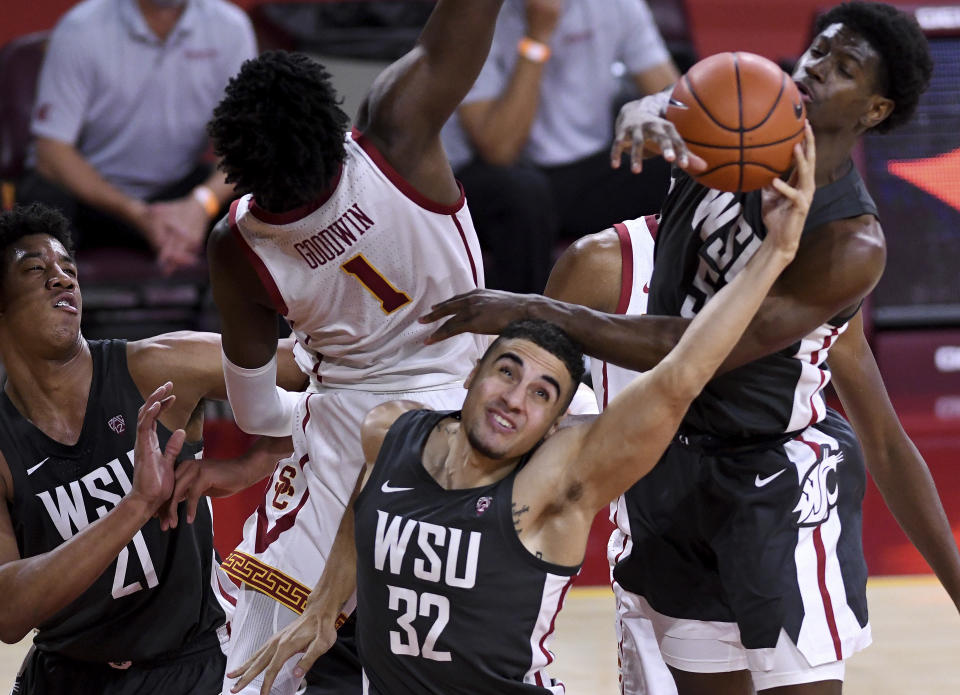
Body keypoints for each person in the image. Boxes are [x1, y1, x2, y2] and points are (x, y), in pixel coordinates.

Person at [420, 4, 957, 692]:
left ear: (875, 109)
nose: (817, 69)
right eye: (820, 51)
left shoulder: (846, 243)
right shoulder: (735, 121)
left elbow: (695, 350)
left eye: (843, 68)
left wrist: (528, 305)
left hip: (772, 487)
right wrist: (641, 111)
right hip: (670, 471)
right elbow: (675, 95)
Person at [224, 128, 814, 695]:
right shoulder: (394, 432)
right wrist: (326, 604)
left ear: (558, 421)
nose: (514, 397)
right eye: (507, 372)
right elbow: (362, 506)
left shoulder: (558, 486)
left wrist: (777, 254)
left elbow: (682, 374)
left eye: (542, 392)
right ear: (473, 375)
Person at [204, 1, 508, 691]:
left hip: (341, 445)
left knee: (259, 664)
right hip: (476, 412)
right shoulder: (395, 131)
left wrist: (312, 409)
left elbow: (254, 415)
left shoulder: (238, 246)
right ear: (326, 114)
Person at [0, 203, 302, 695]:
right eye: (35, 269)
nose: (61, 280)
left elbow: (319, 369)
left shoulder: (157, 368)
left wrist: (257, 462)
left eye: (68, 269)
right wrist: (135, 505)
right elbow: (8, 614)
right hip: (67, 674)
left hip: (192, 665)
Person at [439, 0, 679, 293]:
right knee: (523, 193)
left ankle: (667, 306)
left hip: (583, 174)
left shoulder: (619, 5)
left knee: (679, 160)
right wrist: (538, 37)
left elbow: (676, 109)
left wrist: (639, 113)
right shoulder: (476, 16)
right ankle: (523, 331)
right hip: (491, 176)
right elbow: (499, 150)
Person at [18, 0, 256, 273]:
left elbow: (247, 143)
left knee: (267, 184)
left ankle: (259, 311)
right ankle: (56, 310)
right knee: (41, 203)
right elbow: (51, 152)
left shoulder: (230, 27)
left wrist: (200, 205)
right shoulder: (81, 29)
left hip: (182, 193)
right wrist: (139, 215)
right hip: (95, 199)